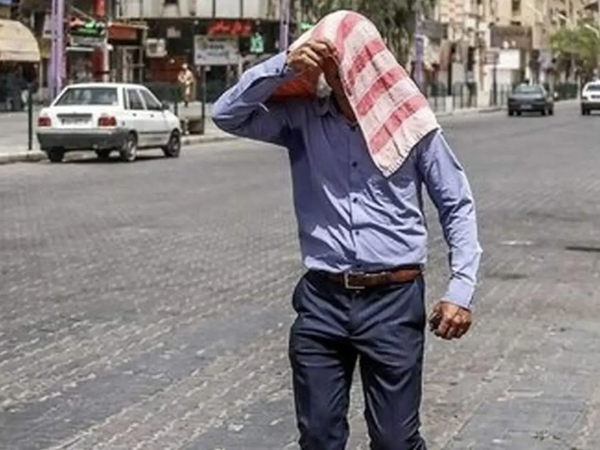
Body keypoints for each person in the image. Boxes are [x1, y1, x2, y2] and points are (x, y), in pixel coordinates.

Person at [212, 12, 481, 450]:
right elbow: (226, 115)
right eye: (324, 60)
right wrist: (282, 65)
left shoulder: (412, 124)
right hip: (322, 301)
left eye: (337, 59)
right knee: (318, 437)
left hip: (393, 302)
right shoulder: (301, 119)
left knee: (395, 441)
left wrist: (460, 291)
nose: (331, 70)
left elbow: (456, 205)